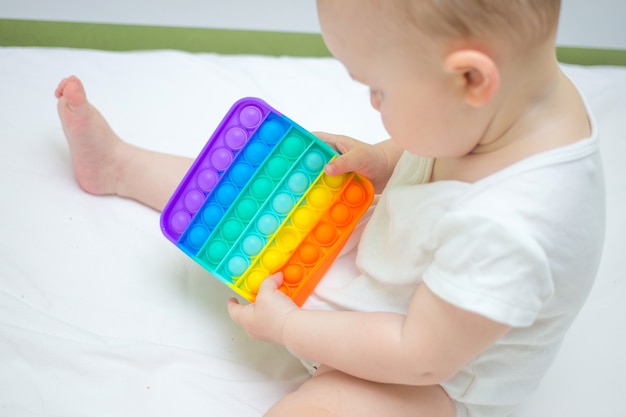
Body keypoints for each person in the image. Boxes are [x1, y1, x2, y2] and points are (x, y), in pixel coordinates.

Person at [54, 0, 605, 416]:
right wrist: (385, 160)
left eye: (378, 90)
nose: (371, 103)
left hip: (430, 377)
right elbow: (434, 148)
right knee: (237, 199)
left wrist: (291, 330)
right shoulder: (506, 104)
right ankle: (120, 166)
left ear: (470, 78)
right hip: (393, 264)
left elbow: (420, 354)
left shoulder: (511, 229)